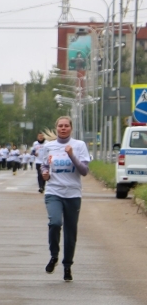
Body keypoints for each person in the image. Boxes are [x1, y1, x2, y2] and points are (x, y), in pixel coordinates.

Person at [40, 116, 90, 282]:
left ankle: (67, 265)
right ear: (56, 128)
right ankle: (54, 256)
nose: (63, 128)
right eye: (60, 126)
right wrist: (45, 174)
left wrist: (72, 155)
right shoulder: (48, 147)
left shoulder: (79, 145)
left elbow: (84, 171)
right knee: (55, 223)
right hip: (53, 191)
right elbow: (44, 165)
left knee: (70, 232)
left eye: (66, 126)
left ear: (71, 128)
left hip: (73, 194)